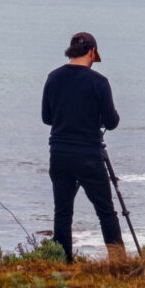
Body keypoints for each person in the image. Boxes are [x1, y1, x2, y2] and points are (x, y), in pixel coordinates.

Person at [42, 30, 124, 262]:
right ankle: (118, 262)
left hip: (59, 153)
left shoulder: (53, 77)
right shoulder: (99, 82)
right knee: (106, 212)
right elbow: (111, 122)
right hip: (88, 154)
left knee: (63, 212)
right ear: (92, 52)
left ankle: (63, 262)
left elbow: (47, 118)